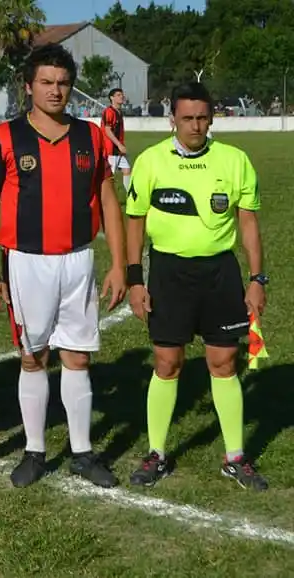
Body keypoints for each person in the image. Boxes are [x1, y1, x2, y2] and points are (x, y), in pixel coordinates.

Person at [0, 44, 127, 489]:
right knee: (33, 355)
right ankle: (35, 451)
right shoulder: (4, 137)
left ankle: (82, 452)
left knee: (78, 356)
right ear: (28, 86)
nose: (55, 90)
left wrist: (119, 264)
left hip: (79, 259)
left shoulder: (91, 135)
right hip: (27, 262)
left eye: (63, 82)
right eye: (46, 82)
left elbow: (108, 199)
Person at [125, 82, 268, 491]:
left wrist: (257, 279)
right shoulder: (151, 161)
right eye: (186, 118)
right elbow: (134, 222)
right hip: (169, 274)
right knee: (167, 363)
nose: (195, 125)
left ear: (212, 117)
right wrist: (136, 279)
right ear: (172, 119)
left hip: (220, 273)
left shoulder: (235, 160)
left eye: (202, 117)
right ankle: (156, 453)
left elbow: (249, 223)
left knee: (224, 363)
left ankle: (235, 456)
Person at [101, 88, 131, 192]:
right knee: (109, 177)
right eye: (118, 95)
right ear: (112, 98)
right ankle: (106, 198)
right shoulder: (109, 112)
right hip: (111, 150)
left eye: (122, 95)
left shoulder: (119, 112)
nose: (122, 97)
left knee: (127, 170)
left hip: (118, 150)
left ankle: (130, 196)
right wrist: (119, 145)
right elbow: (107, 130)